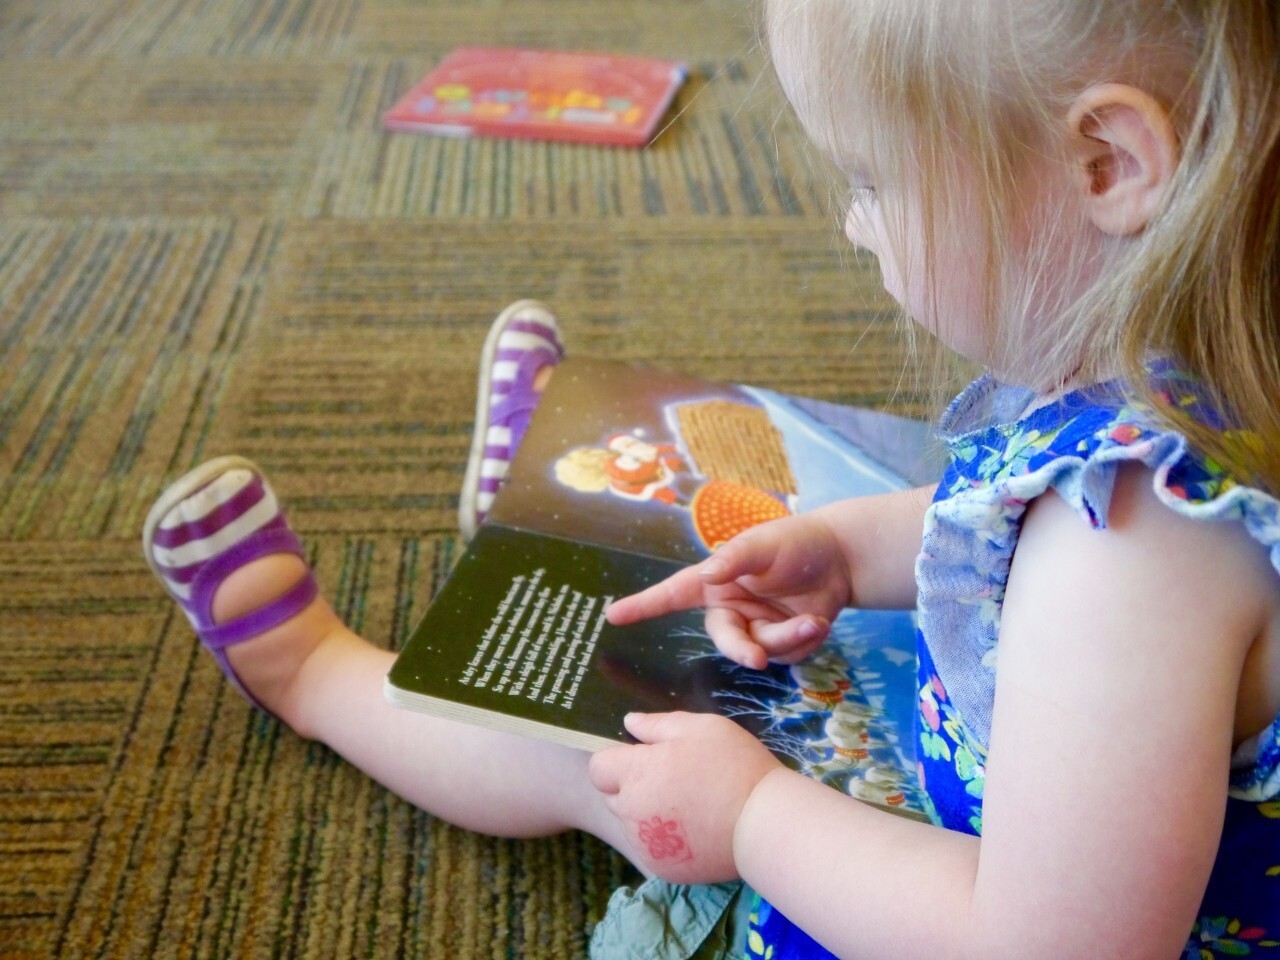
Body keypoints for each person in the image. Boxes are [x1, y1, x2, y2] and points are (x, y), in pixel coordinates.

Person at [141, 2, 1280, 957]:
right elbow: (996, 526)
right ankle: (544, 498)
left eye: (870, 179)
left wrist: (749, 819)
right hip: (1046, 802)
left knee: (611, 753)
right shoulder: (1193, 378)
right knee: (735, 520)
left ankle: (311, 671)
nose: (851, 225)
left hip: (975, 906)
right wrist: (846, 550)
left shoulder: (1124, 552)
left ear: (1105, 165)